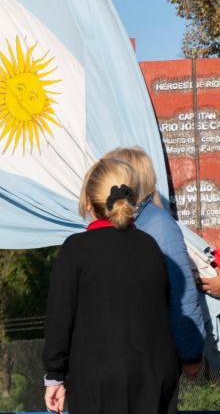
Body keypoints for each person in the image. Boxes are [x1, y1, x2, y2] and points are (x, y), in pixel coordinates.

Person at [43, 158, 179, 414]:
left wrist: (54, 375)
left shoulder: (76, 249)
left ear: (87, 201)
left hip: (98, 380)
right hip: (155, 377)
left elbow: (59, 319)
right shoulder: (150, 246)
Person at [104, 147, 205, 375]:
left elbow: (182, 295)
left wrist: (190, 354)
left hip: (149, 361)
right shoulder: (125, 225)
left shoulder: (158, 226)